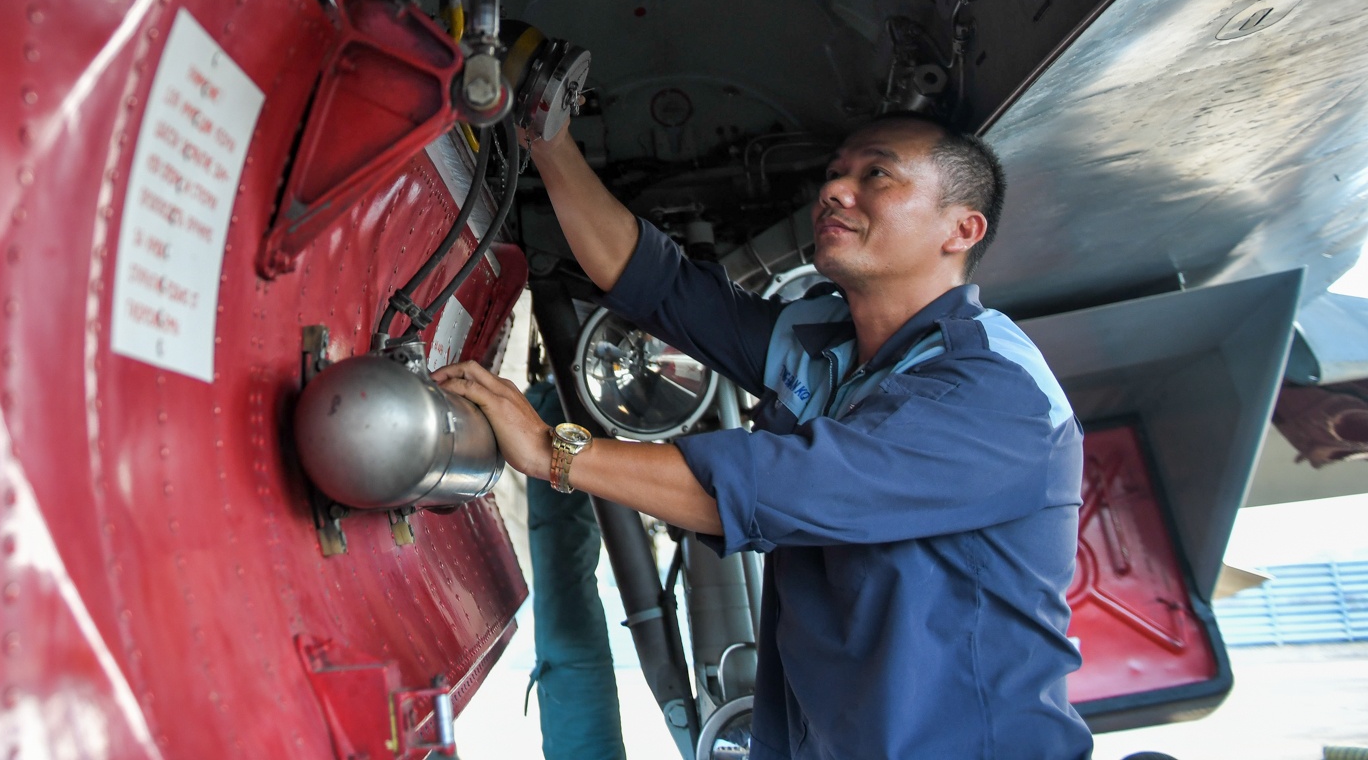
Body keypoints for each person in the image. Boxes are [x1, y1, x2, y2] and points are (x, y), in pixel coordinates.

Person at [435, 113, 1092, 760]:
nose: (835, 189)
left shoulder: (995, 391)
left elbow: (776, 486)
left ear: (962, 229)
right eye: (835, 174)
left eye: (877, 175)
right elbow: (660, 287)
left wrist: (556, 451)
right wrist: (547, 140)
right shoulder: (827, 344)